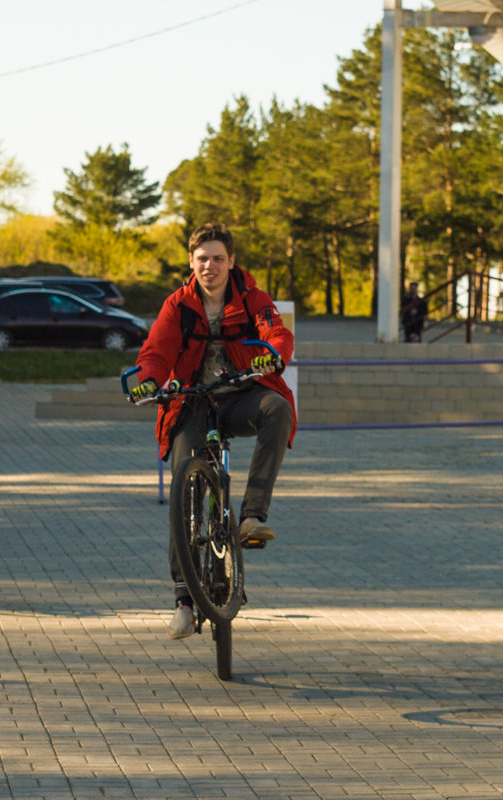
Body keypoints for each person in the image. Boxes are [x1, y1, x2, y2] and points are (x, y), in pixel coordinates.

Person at [131, 222, 296, 640]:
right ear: (192, 262)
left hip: (240, 395)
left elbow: (276, 333)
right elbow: (155, 352)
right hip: (192, 401)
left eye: (218, 258)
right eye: (202, 259)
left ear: (231, 262)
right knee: (184, 486)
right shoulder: (178, 305)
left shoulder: (253, 299)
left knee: (277, 409)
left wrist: (271, 355)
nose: (210, 266)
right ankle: (184, 600)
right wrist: (150, 379)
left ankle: (252, 517)